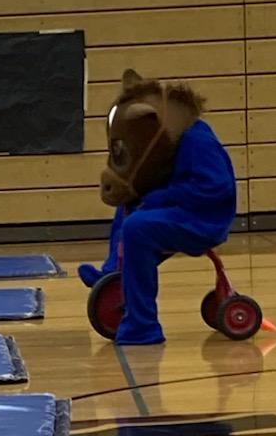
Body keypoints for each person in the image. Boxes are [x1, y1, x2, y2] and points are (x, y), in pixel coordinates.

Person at [79, 70, 237, 345]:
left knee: (137, 228)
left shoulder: (197, 140)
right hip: (181, 211)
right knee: (127, 207)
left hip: (203, 220)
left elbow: (216, 188)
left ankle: (143, 326)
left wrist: (158, 198)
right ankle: (114, 272)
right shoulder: (168, 141)